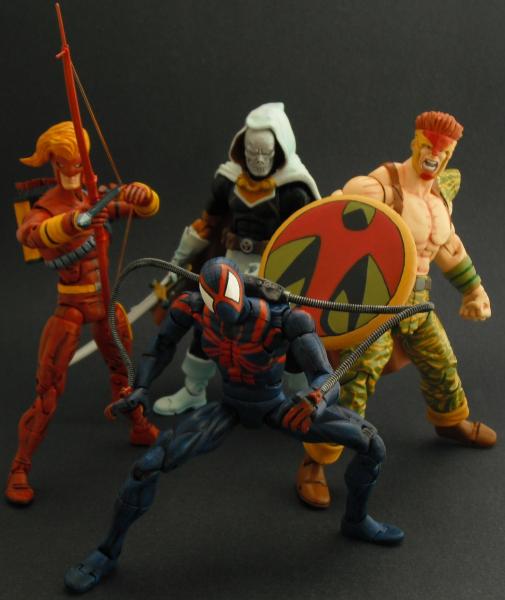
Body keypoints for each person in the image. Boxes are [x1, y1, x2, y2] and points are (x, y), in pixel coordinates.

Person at [64, 257, 404, 594]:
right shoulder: (192, 308)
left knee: (371, 443)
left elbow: (326, 375)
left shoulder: (285, 319)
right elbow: (161, 347)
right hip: (229, 407)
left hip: (277, 406)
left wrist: (316, 398)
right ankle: (107, 553)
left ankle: (356, 520)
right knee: (145, 468)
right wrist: (141, 387)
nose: (227, 321)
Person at [297, 111, 496, 509]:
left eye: (444, 152)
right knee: (355, 378)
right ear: (415, 142)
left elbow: (449, 248)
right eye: (428, 146)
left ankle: (450, 421)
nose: (434, 156)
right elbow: (335, 226)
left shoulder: (439, 200)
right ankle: (316, 460)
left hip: (418, 304)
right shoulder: (381, 187)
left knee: (441, 361)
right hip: (378, 303)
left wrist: (474, 290)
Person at [5, 122, 160, 505]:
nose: (75, 170)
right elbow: (29, 234)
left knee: (123, 369)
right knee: (48, 390)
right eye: (67, 164)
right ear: (54, 165)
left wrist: (144, 195)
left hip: (105, 303)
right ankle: (20, 466)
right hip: (71, 306)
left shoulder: (95, 195)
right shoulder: (48, 206)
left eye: (80, 163)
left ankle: (138, 424)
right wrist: (74, 222)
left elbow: (141, 209)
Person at [154, 102, 320, 416]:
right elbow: (207, 224)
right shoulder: (228, 180)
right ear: (242, 150)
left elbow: (309, 239)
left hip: (273, 272)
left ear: (280, 150)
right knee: (208, 320)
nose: (258, 160)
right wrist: (178, 262)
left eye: (265, 153)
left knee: (289, 329)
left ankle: (305, 398)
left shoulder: (294, 190)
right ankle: (194, 389)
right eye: (252, 152)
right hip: (230, 265)